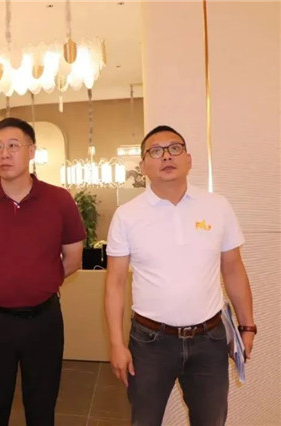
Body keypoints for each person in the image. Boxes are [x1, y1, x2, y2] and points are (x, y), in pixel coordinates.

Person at [104, 125, 256, 426]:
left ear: (188, 159)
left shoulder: (217, 206)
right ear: (143, 166)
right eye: (155, 151)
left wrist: (247, 326)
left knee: (211, 420)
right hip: (149, 342)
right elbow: (115, 283)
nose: (166, 157)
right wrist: (116, 344)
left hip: (209, 339)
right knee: (144, 421)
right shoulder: (127, 215)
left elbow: (233, 268)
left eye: (174, 148)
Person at [0, 117, 85, 426]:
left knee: (42, 406)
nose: (4, 154)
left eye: (13, 146)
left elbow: (73, 258)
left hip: (43, 320)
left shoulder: (59, 200)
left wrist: (40, 282)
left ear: (32, 151)